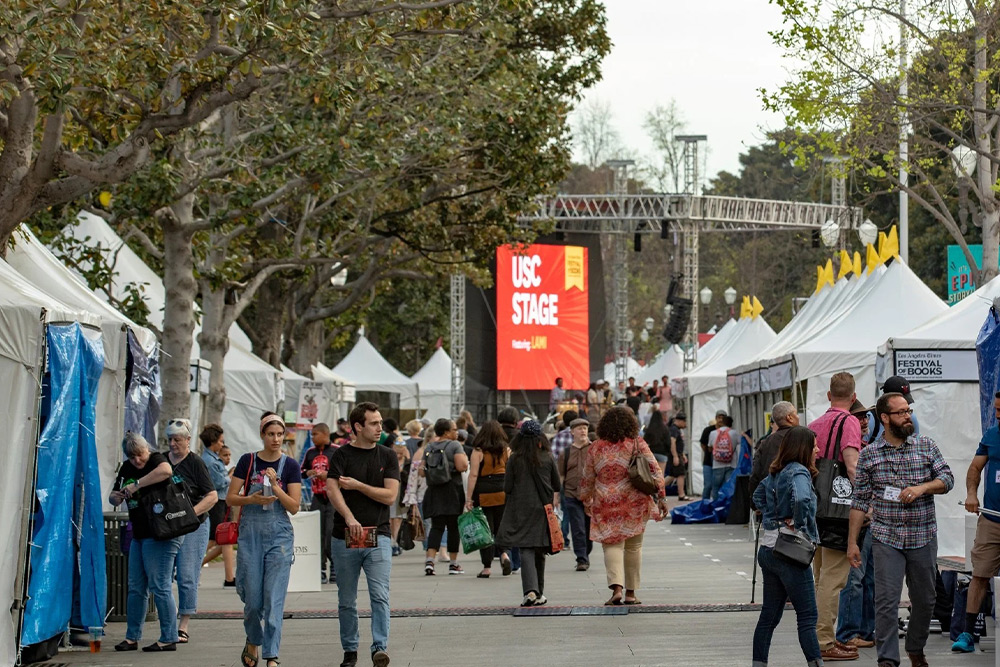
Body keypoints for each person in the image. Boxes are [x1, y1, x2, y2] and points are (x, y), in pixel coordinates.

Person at [848, 392, 953, 667]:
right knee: (886, 601)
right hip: (886, 537)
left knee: (926, 600)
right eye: (901, 412)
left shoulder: (926, 446)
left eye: (908, 410)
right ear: (884, 418)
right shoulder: (869, 455)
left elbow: (947, 478)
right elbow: (859, 502)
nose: (908, 416)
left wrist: (923, 488)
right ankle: (888, 660)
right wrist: (852, 543)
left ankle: (915, 647)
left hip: (922, 535)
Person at [327, 402, 400, 667]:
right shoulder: (342, 455)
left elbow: (390, 495)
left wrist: (357, 485)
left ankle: (379, 647)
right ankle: (350, 650)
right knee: (347, 599)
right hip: (344, 536)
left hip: (378, 535)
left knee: (379, 594)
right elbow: (332, 489)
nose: (379, 427)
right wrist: (348, 516)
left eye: (380, 422)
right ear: (357, 427)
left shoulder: (387, 456)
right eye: (373, 423)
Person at [227, 412, 302, 667]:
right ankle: (252, 639)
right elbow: (230, 497)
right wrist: (251, 499)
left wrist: (275, 485)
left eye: (280, 434)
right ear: (262, 434)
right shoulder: (247, 461)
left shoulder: (290, 466)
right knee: (252, 600)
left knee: (273, 598)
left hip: (279, 534)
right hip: (250, 534)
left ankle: (272, 655)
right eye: (271, 434)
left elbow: (294, 507)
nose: (276, 439)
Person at [579, 406, 668, 606]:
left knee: (612, 545)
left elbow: (587, 478)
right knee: (634, 547)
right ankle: (630, 593)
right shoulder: (637, 443)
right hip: (634, 502)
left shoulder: (596, 447)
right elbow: (655, 471)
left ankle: (616, 589)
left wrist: (586, 499)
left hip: (605, 503)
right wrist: (661, 498)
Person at [751, 426, 824, 667]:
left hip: (768, 548)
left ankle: (759, 663)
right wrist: (798, 523)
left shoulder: (775, 471)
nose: (818, 449)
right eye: (814, 445)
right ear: (803, 448)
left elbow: (757, 498)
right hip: (790, 551)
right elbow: (802, 498)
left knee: (769, 616)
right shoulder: (799, 472)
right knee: (807, 617)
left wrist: (773, 517)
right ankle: (816, 663)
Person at [807, 371, 863, 662]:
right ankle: (825, 640)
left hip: (816, 508)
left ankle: (819, 636)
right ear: (853, 398)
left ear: (829, 395)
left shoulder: (814, 424)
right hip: (841, 510)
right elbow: (852, 465)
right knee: (834, 577)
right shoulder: (851, 421)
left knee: (819, 575)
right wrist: (867, 501)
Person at [110, 432, 179, 652]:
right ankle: (132, 637)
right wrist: (119, 496)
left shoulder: (156, 459)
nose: (137, 461)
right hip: (138, 533)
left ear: (146, 450)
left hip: (161, 533)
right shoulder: (126, 469)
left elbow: (166, 471)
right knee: (136, 588)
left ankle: (169, 636)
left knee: (160, 586)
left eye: (139, 455)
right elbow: (112, 496)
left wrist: (137, 485)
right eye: (132, 458)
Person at [496, 420, 562, 606]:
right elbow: (557, 485)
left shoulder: (515, 458)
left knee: (526, 548)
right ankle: (538, 592)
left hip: (520, 508)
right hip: (543, 508)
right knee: (540, 549)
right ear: (540, 438)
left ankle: (531, 591)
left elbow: (507, 486)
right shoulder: (547, 457)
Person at [953, 391, 1000, 653]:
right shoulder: (991, 435)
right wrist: (971, 493)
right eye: (996, 410)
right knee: (979, 575)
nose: (998, 416)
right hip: (992, 519)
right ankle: (967, 634)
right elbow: (974, 469)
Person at [166, 418, 218, 645]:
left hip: (194, 526)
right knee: (163, 577)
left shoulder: (196, 463)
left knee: (187, 576)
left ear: (188, 440)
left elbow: (212, 496)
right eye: (170, 439)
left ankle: (184, 623)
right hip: (167, 526)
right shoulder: (161, 461)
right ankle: (167, 623)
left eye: (177, 439)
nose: (173, 444)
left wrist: (191, 514)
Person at [836, 400, 876, 651]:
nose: (863, 421)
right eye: (858, 417)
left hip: (871, 518)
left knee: (869, 576)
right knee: (855, 575)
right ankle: (848, 632)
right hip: (855, 516)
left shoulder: (867, 447)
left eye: (865, 417)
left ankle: (865, 630)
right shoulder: (851, 448)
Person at [464, 420, 513, 577]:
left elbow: (473, 475)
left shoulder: (478, 451)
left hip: (483, 491)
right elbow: (511, 471)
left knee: (485, 530)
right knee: (501, 527)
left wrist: (468, 498)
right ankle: (504, 554)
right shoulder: (506, 449)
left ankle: (487, 567)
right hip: (502, 490)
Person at [421, 418, 469, 575]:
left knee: (436, 527)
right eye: (454, 429)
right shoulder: (455, 445)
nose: (457, 432)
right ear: (447, 432)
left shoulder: (430, 446)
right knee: (454, 527)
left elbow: (422, 470)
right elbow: (462, 466)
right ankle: (454, 564)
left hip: (434, 491)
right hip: (452, 490)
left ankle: (430, 561)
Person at [200, 423, 236, 586]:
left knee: (224, 540)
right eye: (221, 441)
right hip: (216, 502)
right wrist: (231, 476)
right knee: (215, 540)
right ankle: (188, 565)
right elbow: (220, 482)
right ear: (214, 442)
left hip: (221, 502)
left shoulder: (212, 459)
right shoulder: (211, 461)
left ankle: (229, 577)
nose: (222, 444)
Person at [302, 422, 336, 583]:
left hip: (333, 498)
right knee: (317, 533)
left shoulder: (336, 451)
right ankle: (320, 568)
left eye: (315, 434)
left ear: (324, 434)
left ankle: (334, 566)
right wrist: (308, 472)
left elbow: (343, 473)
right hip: (317, 497)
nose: (313, 437)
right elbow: (301, 471)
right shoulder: (310, 452)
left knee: (330, 532)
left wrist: (328, 476)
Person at [559, 417, 593, 571]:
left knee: (589, 528)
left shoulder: (594, 450)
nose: (583, 431)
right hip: (571, 494)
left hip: (591, 496)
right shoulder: (565, 453)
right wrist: (556, 496)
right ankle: (581, 559)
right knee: (577, 527)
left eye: (585, 428)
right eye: (579, 428)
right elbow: (561, 476)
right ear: (572, 432)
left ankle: (585, 553)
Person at [749, 402, 799, 501]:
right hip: (796, 497)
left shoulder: (765, 442)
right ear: (790, 417)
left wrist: (755, 502)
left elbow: (755, 474)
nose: (798, 417)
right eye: (796, 413)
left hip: (771, 499)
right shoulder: (802, 438)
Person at [708, 414, 738, 499]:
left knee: (716, 488)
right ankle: (726, 506)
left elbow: (709, 448)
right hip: (731, 464)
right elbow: (739, 444)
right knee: (728, 487)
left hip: (717, 464)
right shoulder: (734, 433)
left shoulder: (713, 433)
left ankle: (716, 507)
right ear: (731, 424)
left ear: (722, 423)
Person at [665, 413, 691, 501]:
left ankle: (656, 490)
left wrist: (682, 454)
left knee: (672, 475)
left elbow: (679, 444)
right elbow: (672, 442)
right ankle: (681, 494)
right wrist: (676, 456)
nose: (685, 424)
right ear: (679, 421)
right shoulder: (674, 429)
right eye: (684, 422)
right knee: (680, 474)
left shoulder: (676, 430)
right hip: (675, 455)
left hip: (677, 454)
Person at [700, 411, 725, 500]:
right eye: (719, 417)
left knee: (718, 486)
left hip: (722, 463)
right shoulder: (708, 430)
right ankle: (705, 505)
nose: (720, 420)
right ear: (716, 418)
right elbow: (703, 444)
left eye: (723, 418)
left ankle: (716, 505)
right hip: (708, 462)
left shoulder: (727, 431)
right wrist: (708, 453)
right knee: (708, 485)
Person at [643, 410, 671, 474]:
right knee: (660, 475)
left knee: (651, 474)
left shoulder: (649, 429)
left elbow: (645, 442)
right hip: (662, 453)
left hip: (651, 453)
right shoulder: (665, 429)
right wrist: (667, 452)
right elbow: (668, 443)